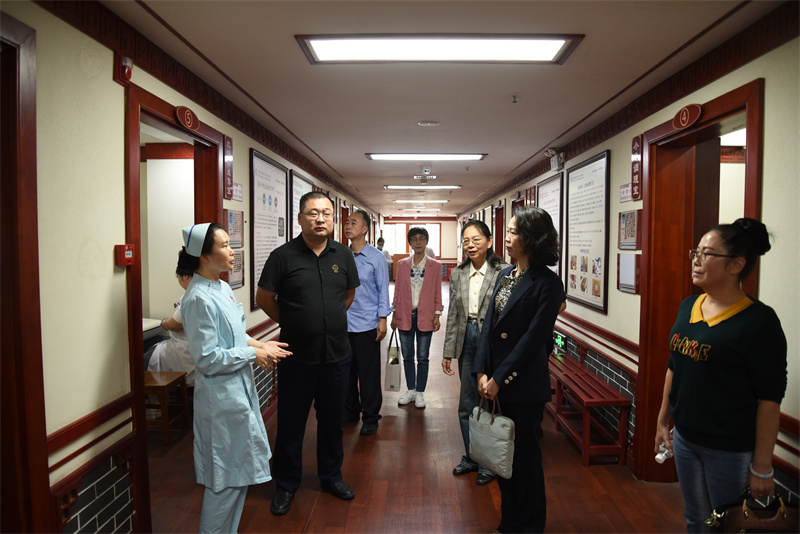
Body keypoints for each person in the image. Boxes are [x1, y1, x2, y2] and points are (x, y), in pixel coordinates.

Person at [654, 218, 787, 533]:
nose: (696, 260)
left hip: (729, 448)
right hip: (685, 438)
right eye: (696, 252)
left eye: (707, 254)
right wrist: (662, 420)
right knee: (696, 520)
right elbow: (674, 366)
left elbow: (770, 399)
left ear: (736, 265)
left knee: (728, 526)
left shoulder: (759, 321)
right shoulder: (689, 306)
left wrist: (763, 465)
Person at [180, 222, 291, 533]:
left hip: (237, 394)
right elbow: (207, 358)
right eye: (225, 245)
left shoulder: (222, 288)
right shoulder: (198, 298)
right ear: (204, 256)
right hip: (219, 400)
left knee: (239, 476)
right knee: (225, 481)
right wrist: (252, 354)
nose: (233, 251)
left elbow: (235, 336)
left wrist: (260, 345)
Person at [256, 191, 360, 516]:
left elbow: (348, 295)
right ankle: (286, 485)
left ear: (333, 219)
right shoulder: (282, 256)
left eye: (326, 213)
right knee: (291, 425)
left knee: (332, 423)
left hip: (337, 357)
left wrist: (327, 320)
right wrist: (294, 321)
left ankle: (331, 477)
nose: (321, 219)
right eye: (313, 213)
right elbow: (264, 298)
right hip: (296, 358)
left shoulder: (343, 255)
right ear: (300, 218)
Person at [474, 207, 565, 533]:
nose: (507, 238)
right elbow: (488, 326)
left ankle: (529, 526)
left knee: (525, 462)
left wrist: (500, 378)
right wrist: (481, 371)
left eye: (513, 232)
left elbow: (533, 340)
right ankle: (509, 522)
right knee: (503, 459)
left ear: (532, 238)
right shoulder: (505, 275)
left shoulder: (549, 284)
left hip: (523, 386)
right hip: (493, 382)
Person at [442, 220, 509, 486]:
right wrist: (448, 351)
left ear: (489, 241)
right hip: (465, 336)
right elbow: (454, 313)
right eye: (466, 241)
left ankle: (489, 462)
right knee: (467, 401)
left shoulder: (504, 271)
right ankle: (471, 456)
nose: (471, 245)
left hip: (491, 341)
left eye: (477, 239)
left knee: (490, 399)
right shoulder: (458, 273)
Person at [343, 210, 392, 436]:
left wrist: (383, 319)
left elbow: (383, 290)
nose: (348, 225)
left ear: (365, 229)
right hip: (344, 324)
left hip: (367, 324)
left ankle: (371, 416)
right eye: (347, 222)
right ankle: (350, 411)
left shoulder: (376, 257)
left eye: (353, 223)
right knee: (347, 373)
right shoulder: (341, 255)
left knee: (368, 374)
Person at [391, 227, 443, 409]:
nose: (418, 242)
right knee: (407, 356)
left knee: (422, 357)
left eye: (421, 238)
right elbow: (397, 290)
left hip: (426, 316)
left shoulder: (435, 266)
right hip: (405, 315)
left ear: (426, 241)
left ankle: (420, 391)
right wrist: (394, 313)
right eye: (414, 239)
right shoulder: (403, 264)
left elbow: (437, 291)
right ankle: (411, 390)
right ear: (410, 243)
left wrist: (437, 314)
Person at [144, 249, 196, 386]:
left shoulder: (191, 296)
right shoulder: (215, 288)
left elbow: (174, 325)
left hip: (187, 353)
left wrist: (165, 323)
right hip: (196, 352)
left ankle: (154, 399)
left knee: (145, 358)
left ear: (185, 276)